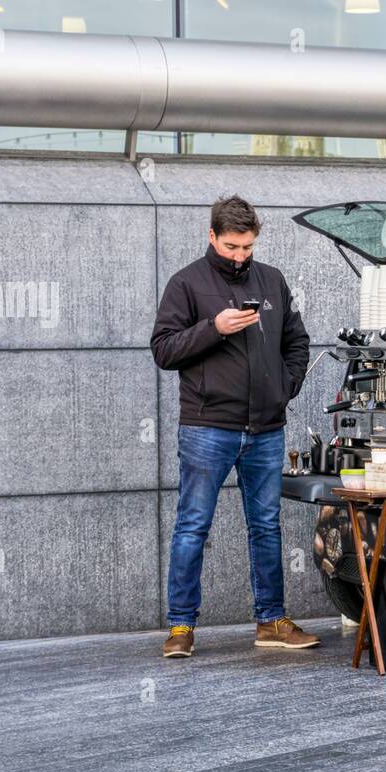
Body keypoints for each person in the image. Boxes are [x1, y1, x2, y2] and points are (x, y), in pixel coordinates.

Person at [150, 195, 318, 658]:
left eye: (246, 247)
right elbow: (163, 350)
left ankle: (271, 621)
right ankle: (181, 627)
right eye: (230, 246)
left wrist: (285, 386)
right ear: (211, 236)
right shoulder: (185, 284)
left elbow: (297, 340)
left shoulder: (273, 281)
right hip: (208, 426)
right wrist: (214, 327)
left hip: (266, 426)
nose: (240, 256)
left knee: (266, 525)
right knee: (192, 527)